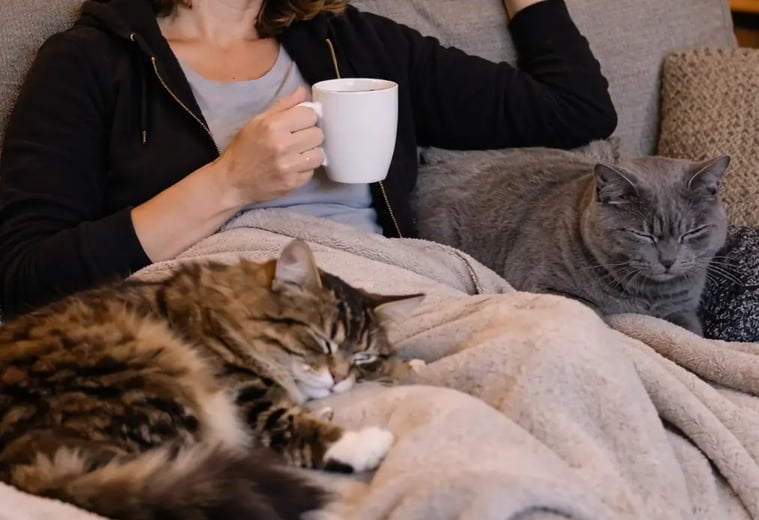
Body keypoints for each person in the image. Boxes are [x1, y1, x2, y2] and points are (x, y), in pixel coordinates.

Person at [0, 0, 617, 317]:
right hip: (224, 318)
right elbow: (22, 278)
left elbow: (574, 109)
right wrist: (229, 184)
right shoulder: (88, 62)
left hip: (395, 299)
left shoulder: (354, 41)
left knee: (564, 341)